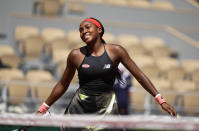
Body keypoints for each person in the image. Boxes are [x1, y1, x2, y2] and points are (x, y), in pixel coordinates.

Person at [37, 17, 177, 131]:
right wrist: (43, 109)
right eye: (80, 30)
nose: (83, 31)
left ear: (99, 30)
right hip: (79, 107)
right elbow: (62, 84)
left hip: (107, 108)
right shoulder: (75, 55)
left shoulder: (116, 51)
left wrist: (160, 100)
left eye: (87, 27)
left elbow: (139, 76)